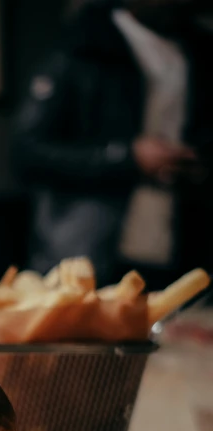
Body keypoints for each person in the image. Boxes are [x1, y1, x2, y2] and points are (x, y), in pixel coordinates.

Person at [13, 0, 213, 288]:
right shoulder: (82, 45)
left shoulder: (199, 50)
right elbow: (27, 152)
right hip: (85, 249)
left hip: (180, 248)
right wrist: (126, 157)